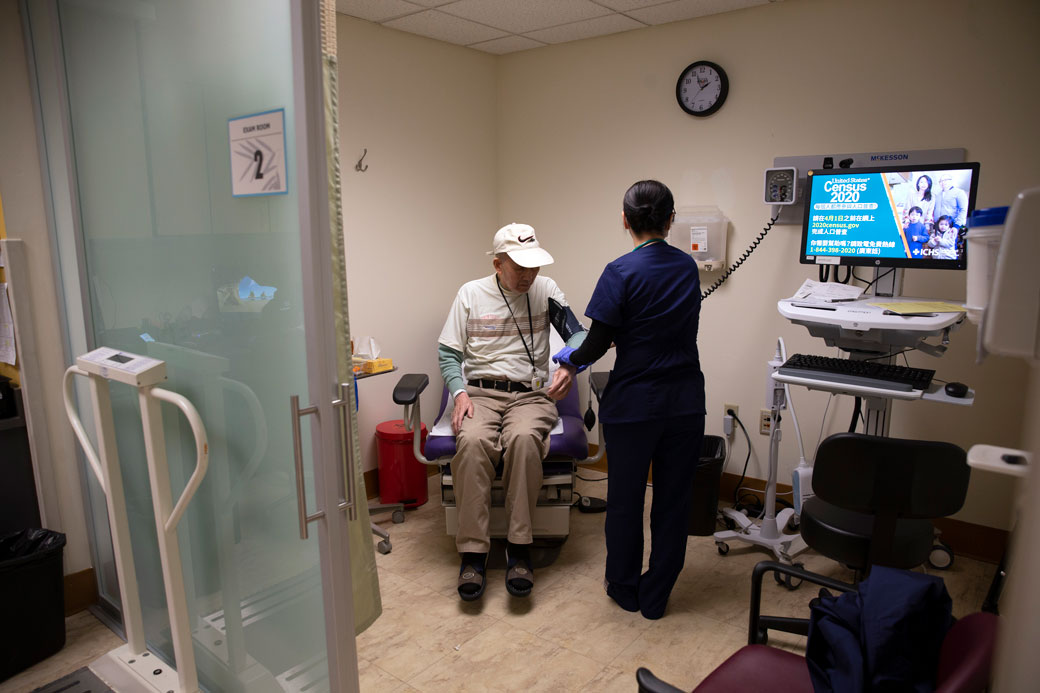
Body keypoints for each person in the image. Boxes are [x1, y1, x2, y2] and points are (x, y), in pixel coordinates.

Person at [550, 180, 706, 620]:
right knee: (674, 502)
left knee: (625, 500)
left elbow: (597, 342)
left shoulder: (619, 271)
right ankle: (656, 596)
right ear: (670, 220)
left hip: (635, 406)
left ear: (625, 221)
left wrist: (568, 362)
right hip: (685, 404)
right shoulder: (687, 268)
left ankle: (623, 587)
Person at [438, 223, 587, 602]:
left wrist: (569, 365)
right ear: (497, 263)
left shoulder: (545, 290)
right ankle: (472, 552)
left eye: (533, 266)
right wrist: (458, 393)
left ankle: (519, 546)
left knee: (523, 440)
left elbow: (578, 334)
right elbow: (449, 353)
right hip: (480, 394)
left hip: (530, 396)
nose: (528, 275)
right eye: (519, 267)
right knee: (471, 443)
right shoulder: (470, 294)